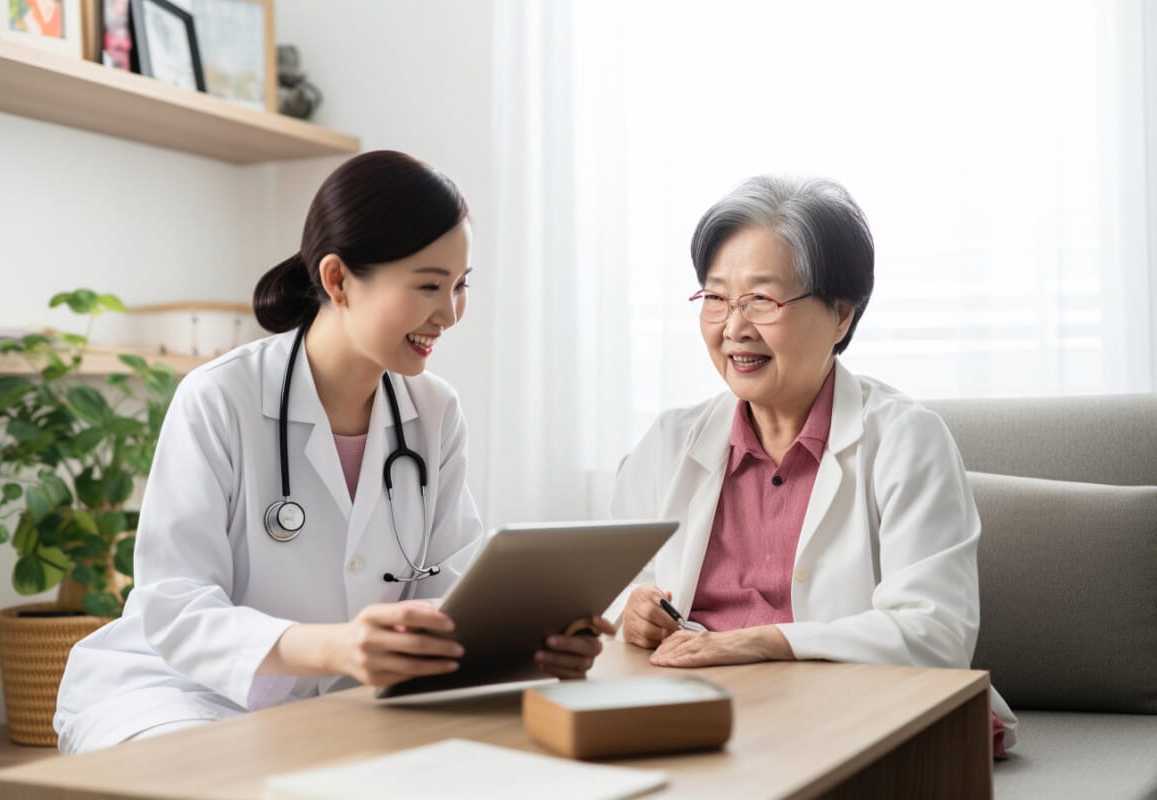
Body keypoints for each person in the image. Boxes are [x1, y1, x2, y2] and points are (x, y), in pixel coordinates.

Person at [55, 150, 613, 754]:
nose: (449, 314)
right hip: (176, 694)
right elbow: (175, 607)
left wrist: (534, 646)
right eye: (428, 285)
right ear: (338, 279)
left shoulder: (434, 412)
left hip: (345, 699)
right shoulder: (220, 397)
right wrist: (335, 646)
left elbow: (446, 597)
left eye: (460, 286)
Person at [609, 175, 1017, 755]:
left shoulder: (906, 440)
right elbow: (605, 597)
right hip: (699, 717)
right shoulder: (669, 442)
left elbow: (934, 633)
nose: (733, 327)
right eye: (717, 297)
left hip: (854, 719)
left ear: (841, 316)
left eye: (761, 299)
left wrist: (764, 641)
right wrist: (633, 611)